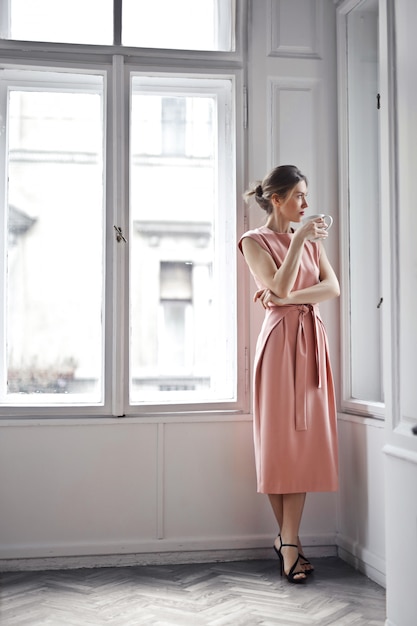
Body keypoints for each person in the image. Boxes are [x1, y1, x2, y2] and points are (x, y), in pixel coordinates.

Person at [238, 165, 340, 584]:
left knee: (301, 443)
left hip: (310, 340)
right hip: (279, 345)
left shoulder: (313, 242)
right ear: (276, 199)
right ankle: (290, 544)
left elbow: (331, 288)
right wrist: (297, 241)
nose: (307, 204)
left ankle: (287, 542)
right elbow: (274, 284)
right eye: (299, 196)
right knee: (281, 445)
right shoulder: (253, 242)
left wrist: (286, 297)